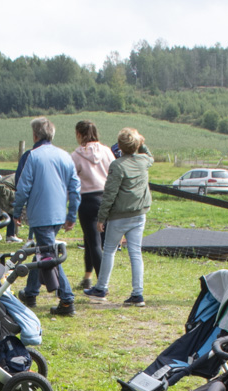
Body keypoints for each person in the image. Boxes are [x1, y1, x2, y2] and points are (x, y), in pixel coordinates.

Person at [11, 116, 80, 317]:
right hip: (58, 213)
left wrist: (17, 212)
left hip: (41, 214)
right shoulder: (65, 156)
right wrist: (71, 214)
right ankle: (30, 293)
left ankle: (67, 300)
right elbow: (75, 187)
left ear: (35, 135)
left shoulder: (33, 156)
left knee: (49, 256)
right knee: (42, 250)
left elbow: (23, 188)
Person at [85, 126, 151, 307]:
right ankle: (138, 293)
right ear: (137, 144)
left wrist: (101, 217)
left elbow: (109, 194)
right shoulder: (144, 161)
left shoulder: (117, 165)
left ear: (119, 146)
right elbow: (149, 155)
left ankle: (101, 287)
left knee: (109, 250)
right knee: (135, 253)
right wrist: (142, 144)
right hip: (139, 214)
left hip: (119, 216)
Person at [70, 120, 114, 291]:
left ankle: (101, 284)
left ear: (79, 134)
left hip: (87, 199)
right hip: (105, 197)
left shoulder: (76, 155)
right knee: (91, 240)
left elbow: (72, 179)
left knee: (94, 242)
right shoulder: (107, 151)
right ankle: (87, 277)